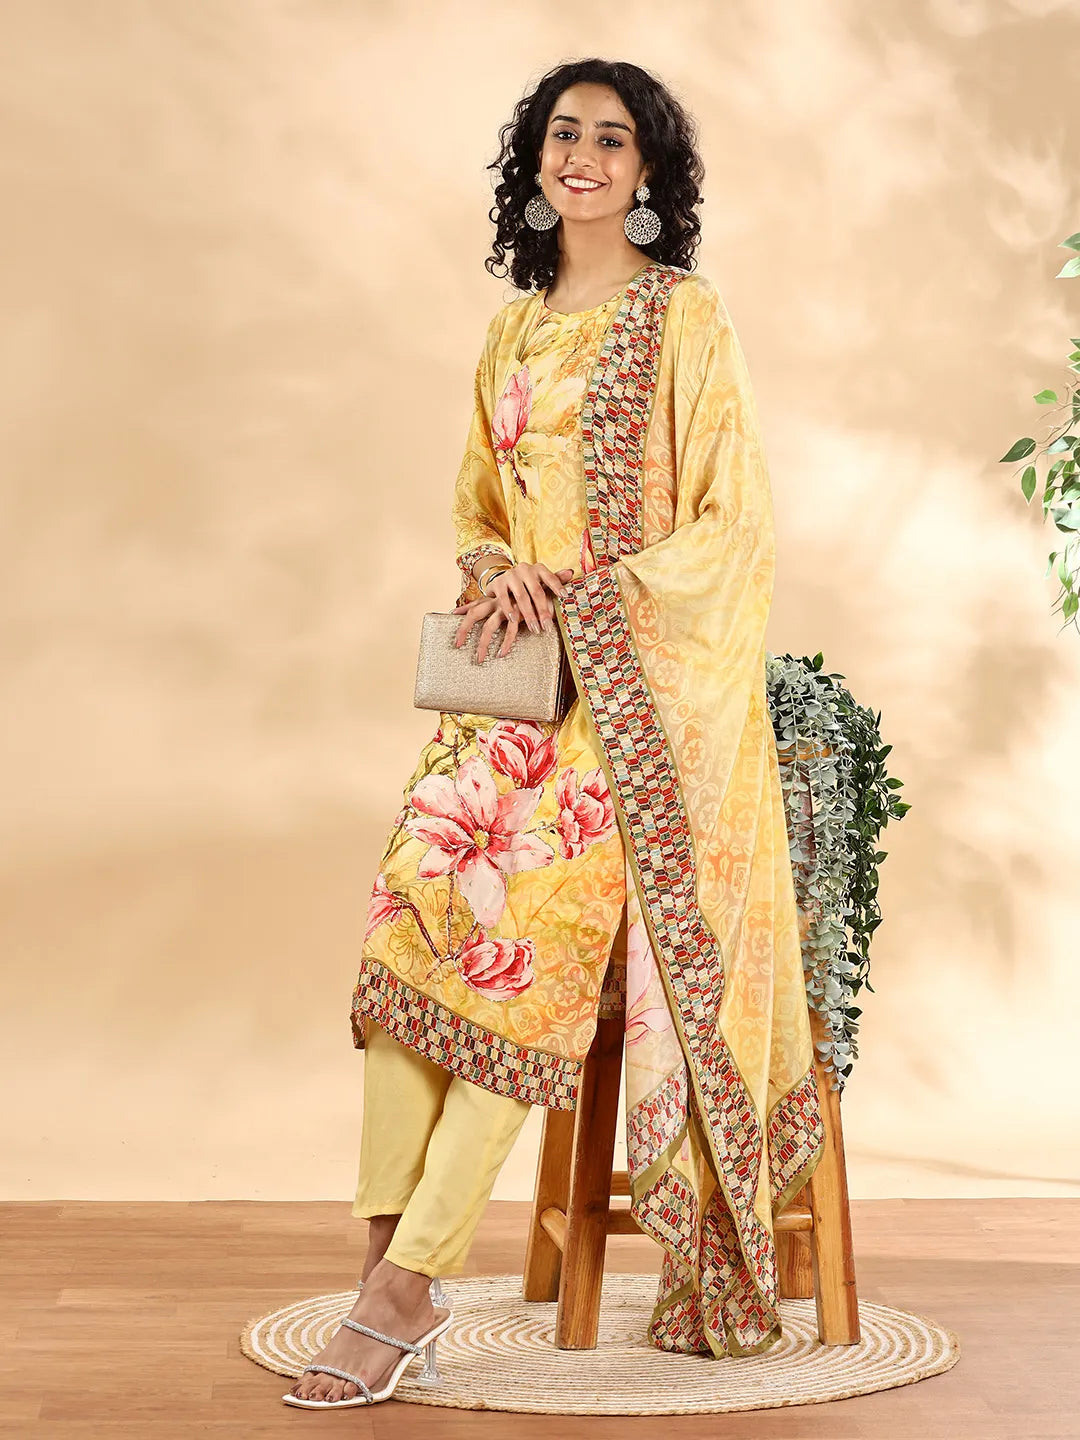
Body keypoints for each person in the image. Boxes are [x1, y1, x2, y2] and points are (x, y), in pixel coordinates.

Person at [285, 57, 825, 1410]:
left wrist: (581, 593)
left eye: (612, 139)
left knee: (517, 977)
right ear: (535, 162)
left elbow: (737, 529)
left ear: (647, 173)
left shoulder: (684, 316)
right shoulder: (512, 333)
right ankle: (381, 1271)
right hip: (507, 703)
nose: (583, 155)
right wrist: (495, 573)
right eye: (563, 133)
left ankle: (407, 1292)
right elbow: (479, 509)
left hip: (626, 733)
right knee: (404, 951)